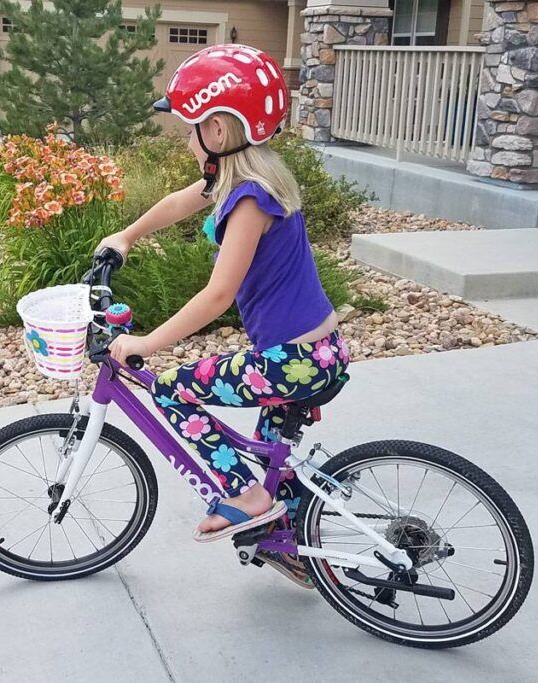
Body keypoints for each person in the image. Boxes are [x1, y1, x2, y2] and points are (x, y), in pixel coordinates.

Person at [97, 45, 349, 584]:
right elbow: (178, 202)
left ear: (216, 133)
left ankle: (245, 497)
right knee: (273, 459)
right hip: (314, 352)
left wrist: (146, 343)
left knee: (170, 389)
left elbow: (218, 295)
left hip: (292, 360)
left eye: (190, 129)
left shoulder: (251, 201)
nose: (185, 140)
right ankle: (288, 542)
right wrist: (126, 235)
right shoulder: (246, 180)